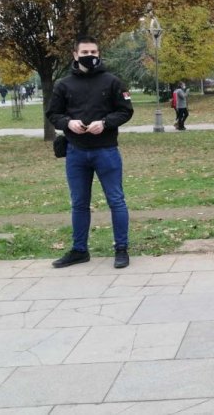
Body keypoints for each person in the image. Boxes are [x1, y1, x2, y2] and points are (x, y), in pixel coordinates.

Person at [46, 36, 134, 269]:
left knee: (116, 200)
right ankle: (79, 250)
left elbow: (126, 111)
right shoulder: (63, 85)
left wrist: (105, 123)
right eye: (85, 52)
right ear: (75, 55)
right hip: (76, 152)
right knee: (79, 203)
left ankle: (122, 249)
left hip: (106, 151)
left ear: (99, 53)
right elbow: (53, 113)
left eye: (93, 52)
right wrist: (68, 123)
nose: (90, 56)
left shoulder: (113, 82)